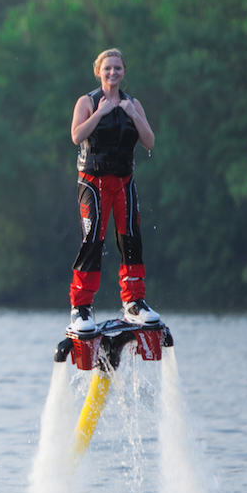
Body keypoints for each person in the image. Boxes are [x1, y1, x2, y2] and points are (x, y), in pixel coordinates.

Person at [68, 48, 160, 333]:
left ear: (123, 72)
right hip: (93, 182)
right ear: (99, 71)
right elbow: (76, 136)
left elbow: (149, 142)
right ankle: (81, 308)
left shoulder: (133, 104)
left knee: (130, 238)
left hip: (123, 181)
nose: (113, 73)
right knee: (93, 239)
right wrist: (101, 113)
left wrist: (133, 114)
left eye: (117, 68)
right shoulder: (88, 101)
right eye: (107, 68)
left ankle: (134, 302)